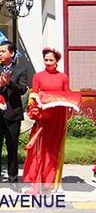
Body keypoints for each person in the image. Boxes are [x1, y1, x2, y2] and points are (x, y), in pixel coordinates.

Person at [23, 47, 70, 192]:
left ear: (57, 62)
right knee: (41, 147)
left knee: (55, 147)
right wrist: (35, 109)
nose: (48, 62)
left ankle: (55, 181)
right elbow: (34, 94)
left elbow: (67, 96)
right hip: (43, 116)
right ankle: (38, 178)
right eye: (46, 60)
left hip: (58, 116)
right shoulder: (38, 76)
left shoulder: (63, 77)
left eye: (51, 60)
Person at [0, 40, 28, 190]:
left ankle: (13, 179)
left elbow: (23, 89)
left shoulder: (21, 70)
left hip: (13, 114)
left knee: (12, 147)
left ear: (12, 53)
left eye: (3, 51)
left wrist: (10, 83)